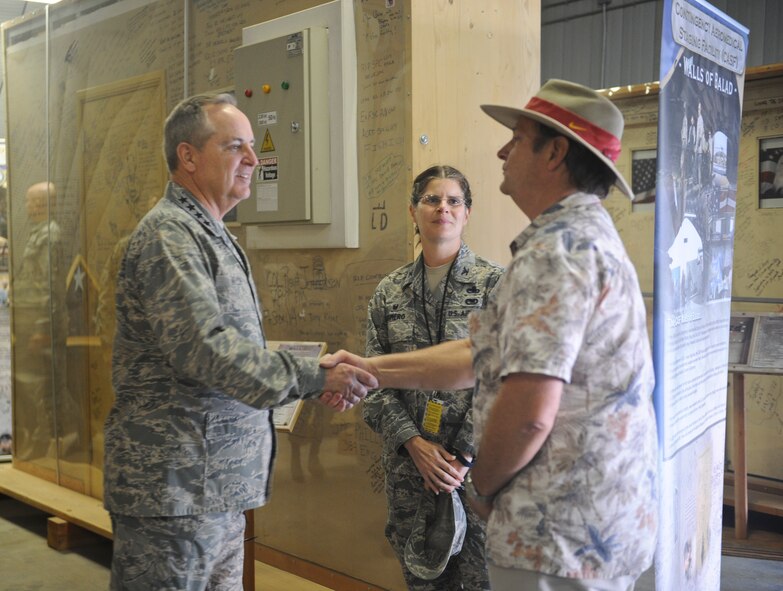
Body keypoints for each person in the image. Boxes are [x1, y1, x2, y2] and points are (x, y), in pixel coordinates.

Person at [322, 79, 658, 591]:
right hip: (578, 528)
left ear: (555, 153)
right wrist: (368, 368)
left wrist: (480, 486)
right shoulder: (574, 241)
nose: (503, 150)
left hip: (558, 535)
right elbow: (476, 356)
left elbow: (528, 413)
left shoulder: (556, 253)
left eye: (518, 138)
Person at [103, 93, 377, 590]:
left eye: (253, 146)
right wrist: (314, 377)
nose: (255, 159)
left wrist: (314, 377)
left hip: (212, 489)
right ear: (188, 156)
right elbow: (204, 350)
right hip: (174, 493)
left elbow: (225, 346)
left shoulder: (211, 233)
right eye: (236, 147)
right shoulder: (171, 236)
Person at [362, 165, 503, 589]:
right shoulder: (389, 291)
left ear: (467, 213)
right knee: (422, 580)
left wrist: (460, 457)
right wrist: (415, 444)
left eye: (453, 200)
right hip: (411, 470)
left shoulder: (495, 284)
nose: (443, 208)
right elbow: (372, 383)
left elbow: (506, 384)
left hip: (476, 474)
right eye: (432, 199)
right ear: (413, 210)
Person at [11, 181, 68, 461]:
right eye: (27, 201)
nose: (27, 206)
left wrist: (43, 328)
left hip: (41, 325)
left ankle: (49, 441)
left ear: (45, 205)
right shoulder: (37, 233)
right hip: (28, 320)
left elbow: (51, 285)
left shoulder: (50, 236)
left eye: (32, 202)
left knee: (44, 386)